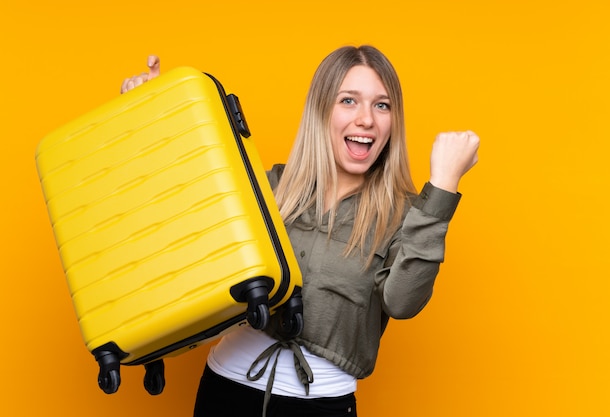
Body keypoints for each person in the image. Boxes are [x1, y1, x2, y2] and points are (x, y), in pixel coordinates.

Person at [121, 45, 479, 417]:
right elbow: (185, 222)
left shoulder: (406, 215)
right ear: (321, 111)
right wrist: (151, 120)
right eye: (348, 101)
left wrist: (442, 187)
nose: (366, 120)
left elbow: (403, 302)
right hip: (224, 391)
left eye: (382, 105)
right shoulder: (271, 187)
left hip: (323, 405)